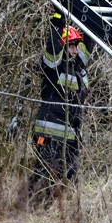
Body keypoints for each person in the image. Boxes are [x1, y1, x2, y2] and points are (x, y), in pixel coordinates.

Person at [27, 13, 95, 209]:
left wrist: (90, 16)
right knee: (44, 171)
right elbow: (53, 45)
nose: (75, 50)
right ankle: (30, 207)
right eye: (71, 46)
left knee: (69, 173)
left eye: (76, 46)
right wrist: (59, 16)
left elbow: (88, 43)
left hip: (70, 135)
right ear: (63, 46)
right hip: (48, 132)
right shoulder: (53, 66)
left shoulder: (79, 68)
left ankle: (52, 208)